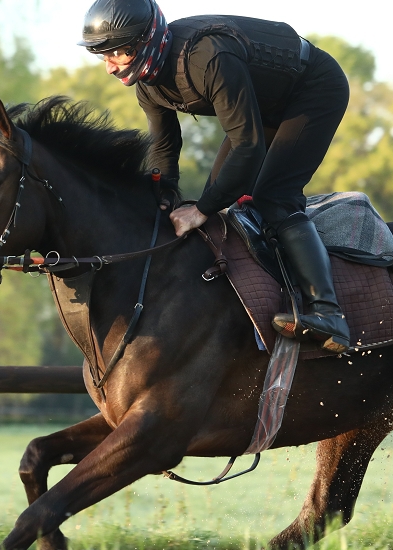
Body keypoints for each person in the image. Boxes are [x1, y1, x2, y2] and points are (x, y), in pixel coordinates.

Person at [78, 0, 351, 353]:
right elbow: (163, 149)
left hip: (313, 88)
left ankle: (328, 313)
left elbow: (248, 147)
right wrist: (160, 200)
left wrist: (201, 208)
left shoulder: (207, 59)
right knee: (221, 196)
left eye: (116, 53)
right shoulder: (148, 85)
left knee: (273, 196)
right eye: (103, 56)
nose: (109, 67)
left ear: (145, 40)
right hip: (265, 103)